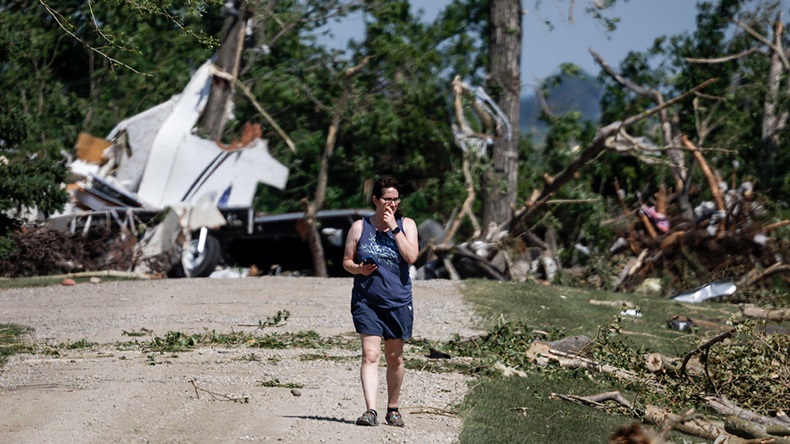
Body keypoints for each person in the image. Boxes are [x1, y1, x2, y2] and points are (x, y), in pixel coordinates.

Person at [342, 177, 419, 427]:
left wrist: (393, 228)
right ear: (375, 200)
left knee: (394, 357)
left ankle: (393, 408)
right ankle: (370, 410)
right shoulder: (359, 227)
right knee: (370, 354)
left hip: (397, 301)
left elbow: (412, 256)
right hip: (367, 300)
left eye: (396, 199)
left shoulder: (407, 224)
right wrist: (359, 269)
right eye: (387, 199)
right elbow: (347, 261)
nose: (392, 204)